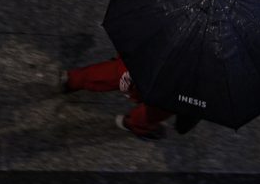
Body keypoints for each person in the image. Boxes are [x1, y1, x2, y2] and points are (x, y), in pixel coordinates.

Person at [62, 56, 200, 140]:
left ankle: (72, 80)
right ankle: (133, 123)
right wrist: (184, 124)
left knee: (112, 73)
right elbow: (195, 103)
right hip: (169, 90)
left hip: (139, 62)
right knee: (155, 111)